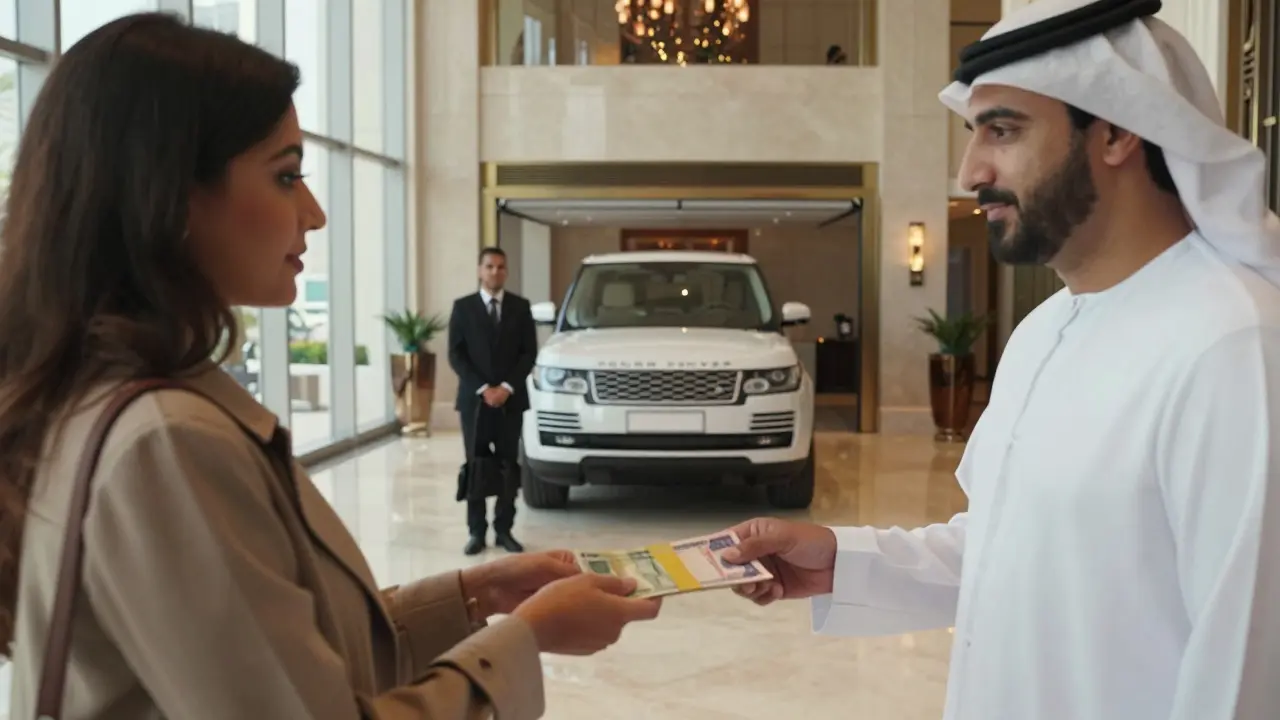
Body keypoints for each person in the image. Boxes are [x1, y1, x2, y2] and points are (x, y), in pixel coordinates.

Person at [0, 14, 660, 719]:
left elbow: (290, 658)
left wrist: (479, 595)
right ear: (168, 194)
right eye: (286, 176)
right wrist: (526, 639)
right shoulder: (167, 440)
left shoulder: (119, 400)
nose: (314, 214)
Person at [720, 1, 1280, 718]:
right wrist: (839, 558)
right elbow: (1007, 549)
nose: (970, 172)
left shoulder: (1235, 346)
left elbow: (1246, 672)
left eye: (1003, 130)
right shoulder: (1044, 330)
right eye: (974, 133)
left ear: (1117, 130)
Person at [448, 247, 537, 556]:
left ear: (506, 272)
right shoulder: (463, 308)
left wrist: (506, 388)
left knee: (507, 466)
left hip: (511, 401)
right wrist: (484, 388)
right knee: (476, 465)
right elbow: (456, 355)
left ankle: (504, 530)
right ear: (479, 270)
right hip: (474, 402)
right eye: (489, 266)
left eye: (500, 267)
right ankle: (476, 531)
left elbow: (528, 353)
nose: (495, 272)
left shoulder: (520, 307)